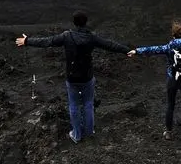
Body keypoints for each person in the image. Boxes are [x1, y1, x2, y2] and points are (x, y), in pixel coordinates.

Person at [15, 10, 130, 144]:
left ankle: (76, 135)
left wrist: (27, 41)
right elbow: (110, 45)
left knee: (74, 105)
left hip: (72, 78)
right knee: (88, 104)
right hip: (87, 77)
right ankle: (89, 131)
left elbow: (47, 41)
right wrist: (127, 50)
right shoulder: (91, 37)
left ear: (74, 23)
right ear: (86, 22)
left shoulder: (67, 36)